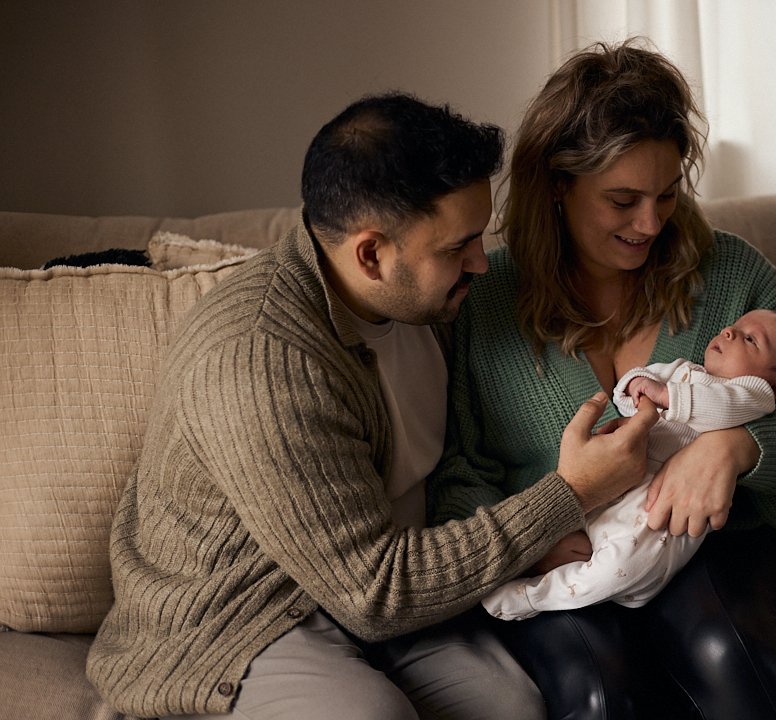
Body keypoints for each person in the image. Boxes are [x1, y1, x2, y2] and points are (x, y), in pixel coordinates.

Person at [85, 92, 660, 720]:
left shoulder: (431, 303)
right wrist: (567, 496)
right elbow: (375, 593)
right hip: (238, 617)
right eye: (458, 247)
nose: (481, 263)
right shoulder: (261, 359)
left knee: (511, 706)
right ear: (371, 254)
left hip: (380, 587)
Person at [428, 40, 776, 720]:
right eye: (623, 200)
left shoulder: (731, 275)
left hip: (719, 552)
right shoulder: (487, 299)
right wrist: (529, 536)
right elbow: (455, 473)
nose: (651, 224)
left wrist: (740, 448)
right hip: (567, 563)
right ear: (558, 183)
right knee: (595, 692)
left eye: (665, 195)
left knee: (722, 645)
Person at [483, 309, 776, 620]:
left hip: (657, 521)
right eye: (734, 326)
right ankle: (532, 567)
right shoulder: (685, 370)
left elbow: (720, 406)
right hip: (616, 492)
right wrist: (634, 385)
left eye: (750, 338)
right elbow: (639, 386)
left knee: (618, 568)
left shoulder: (754, 396)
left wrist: (667, 397)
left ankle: (535, 597)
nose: (728, 331)